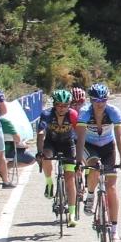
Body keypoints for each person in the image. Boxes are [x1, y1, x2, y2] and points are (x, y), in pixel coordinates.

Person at [79, 84, 121, 242]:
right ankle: (91, 195)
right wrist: (79, 160)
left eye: (103, 100)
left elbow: (120, 138)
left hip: (108, 147)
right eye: (96, 100)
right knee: (94, 167)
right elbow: (80, 138)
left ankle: (114, 231)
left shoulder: (113, 112)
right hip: (89, 146)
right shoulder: (85, 113)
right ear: (91, 100)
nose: (100, 103)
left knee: (111, 188)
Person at [39, 89, 81, 222]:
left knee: (70, 179)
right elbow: (41, 134)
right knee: (46, 156)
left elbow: (80, 135)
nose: (62, 108)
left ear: (69, 105)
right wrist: (39, 152)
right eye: (59, 105)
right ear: (54, 104)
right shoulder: (47, 114)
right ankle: (49, 182)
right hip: (51, 143)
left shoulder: (73, 114)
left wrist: (80, 157)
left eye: (65, 105)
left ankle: (72, 214)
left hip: (68, 144)